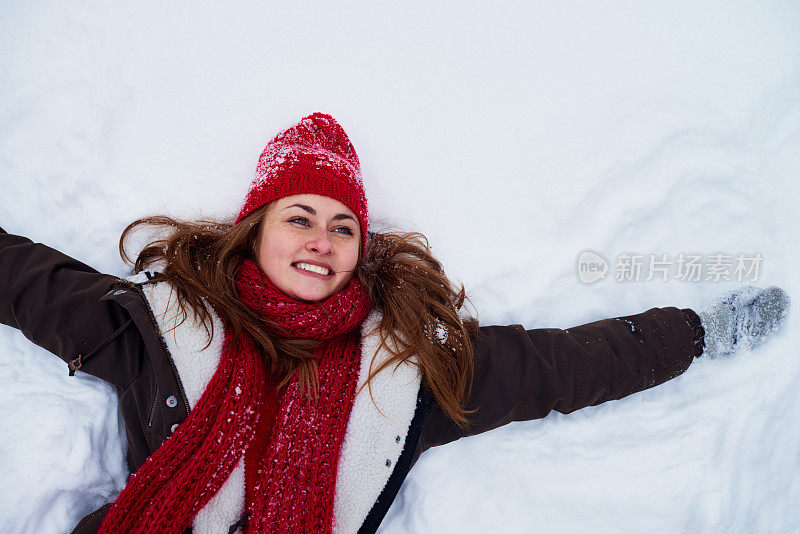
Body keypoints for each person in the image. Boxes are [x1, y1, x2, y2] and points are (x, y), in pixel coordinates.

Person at [0, 112, 790, 534]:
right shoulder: (160, 329)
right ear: (254, 232)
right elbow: (25, 280)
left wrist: (702, 330)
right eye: (299, 217)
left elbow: (566, 365)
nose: (321, 240)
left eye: (343, 227)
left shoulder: (403, 374)